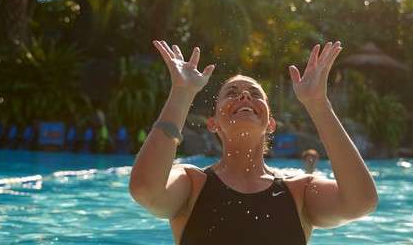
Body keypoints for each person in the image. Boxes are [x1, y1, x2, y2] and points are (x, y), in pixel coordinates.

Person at [130, 40, 378, 244]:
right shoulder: (191, 184)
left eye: (255, 94)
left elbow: (361, 202)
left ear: (271, 123)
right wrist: (182, 92)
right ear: (213, 123)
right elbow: (145, 189)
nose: (245, 95)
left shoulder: (299, 191)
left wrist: (318, 104)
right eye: (232, 93)